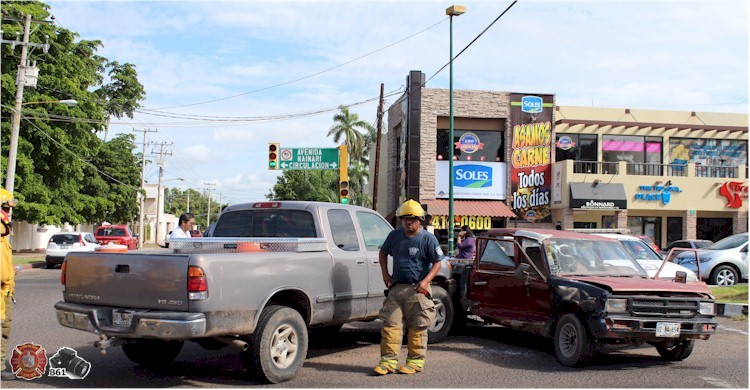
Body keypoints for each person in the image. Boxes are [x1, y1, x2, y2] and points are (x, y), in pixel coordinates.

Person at [373, 199, 443, 376]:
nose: (408, 222)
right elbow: (382, 253)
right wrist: (385, 274)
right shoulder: (394, 236)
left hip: (418, 291)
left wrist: (426, 282)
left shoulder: (428, 239)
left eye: (412, 218)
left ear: (420, 220)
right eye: (405, 218)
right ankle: (388, 362)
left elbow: (437, 263)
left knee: (418, 327)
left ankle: (415, 362)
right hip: (396, 289)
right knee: (391, 326)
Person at [1, 189, 18, 380]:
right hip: (1, 290)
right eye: (6, 209)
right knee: (2, 330)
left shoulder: (3, 237)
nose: (8, 214)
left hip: (5, 290)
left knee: (4, 329)